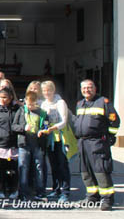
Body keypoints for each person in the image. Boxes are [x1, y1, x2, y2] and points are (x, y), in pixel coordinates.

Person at [74, 79, 119, 211]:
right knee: (86, 171)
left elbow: (114, 121)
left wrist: (110, 136)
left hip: (98, 142)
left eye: (89, 87)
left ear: (95, 88)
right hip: (83, 142)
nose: (87, 90)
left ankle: (107, 199)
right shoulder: (80, 104)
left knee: (101, 170)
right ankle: (92, 197)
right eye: (84, 88)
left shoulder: (103, 102)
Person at [13, 91, 49, 202]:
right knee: (23, 167)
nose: (30, 107)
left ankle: (40, 193)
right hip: (24, 143)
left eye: (33, 105)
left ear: (36, 102)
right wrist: (23, 128)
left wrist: (42, 131)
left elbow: (46, 126)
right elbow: (14, 126)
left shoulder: (42, 113)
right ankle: (22, 193)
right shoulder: (21, 111)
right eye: (28, 105)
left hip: (37, 144)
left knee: (39, 168)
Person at [0, 87, 21, 199]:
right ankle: (0, 189)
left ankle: (13, 189)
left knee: (13, 169)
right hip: (0, 144)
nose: (3, 100)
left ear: (11, 97)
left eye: (5, 97)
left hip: (14, 144)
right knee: (0, 169)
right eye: (1, 97)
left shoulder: (17, 109)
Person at [40, 80, 72, 202]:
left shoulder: (60, 102)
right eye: (44, 90)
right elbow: (44, 121)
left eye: (49, 90)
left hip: (61, 138)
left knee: (62, 164)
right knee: (53, 165)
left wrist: (53, 128)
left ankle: (65, 191)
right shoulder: (43, 104)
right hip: (49, 138)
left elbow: (64, 121)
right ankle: (56, 189)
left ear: (53, 90)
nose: (46, 92)